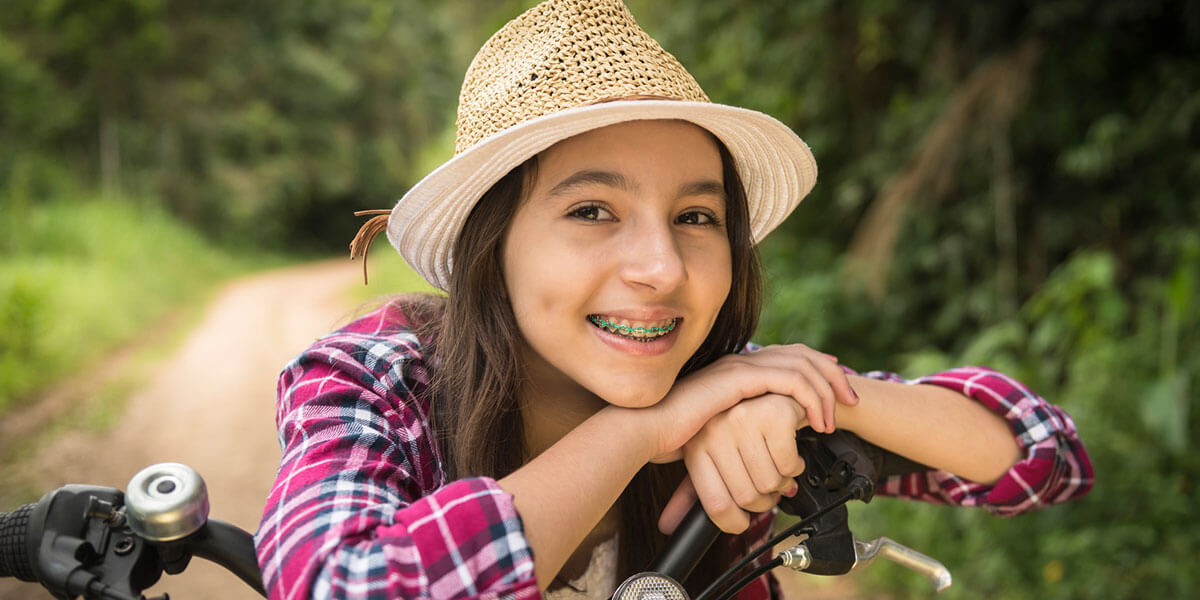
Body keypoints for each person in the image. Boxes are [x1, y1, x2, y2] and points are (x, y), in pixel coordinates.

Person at [253, 1, 1093, 598]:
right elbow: (339, 582)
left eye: (697, 216)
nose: (661, 267)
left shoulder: (726, 388)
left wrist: (799, 394)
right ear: (491, 244)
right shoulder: (380, 377)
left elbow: (1043, 456)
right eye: (592, 211)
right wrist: (641, 433)